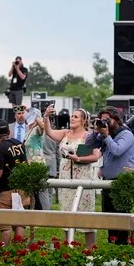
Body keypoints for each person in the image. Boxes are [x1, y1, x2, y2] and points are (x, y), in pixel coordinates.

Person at [40, 104, 97, 249]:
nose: (72, 118)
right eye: (72, 116)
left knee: (86, 215)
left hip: (83, 178)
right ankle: (68, 246)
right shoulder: (65, 133)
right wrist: (46, 116)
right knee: (66, 212)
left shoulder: (89, 136)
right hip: (65, 179)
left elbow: (95, 156)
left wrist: (78, 158)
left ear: (84, 121)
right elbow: (49, 133)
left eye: (76, 117)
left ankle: (90, 248)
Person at [91, 107, 134, 245]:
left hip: (123, 180)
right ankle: (112, 244)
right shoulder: (105, 134)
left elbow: (117, 150)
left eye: (107, 119)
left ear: (116, 120)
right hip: (108, 180)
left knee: (122, 216)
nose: (105, 122)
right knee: (109, 216)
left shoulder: (126, 134)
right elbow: (89, 145)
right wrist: (95, 131)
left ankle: (122, 245)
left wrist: (106, 135)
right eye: (102, 119)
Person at [0, 119, 27, 244]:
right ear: (9, 131)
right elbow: (26, 165)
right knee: (20, 223)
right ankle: (19, 252)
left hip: (6, 191)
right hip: (22, 190)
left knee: (5, 226)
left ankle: (4, 253)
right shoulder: (19, 144)